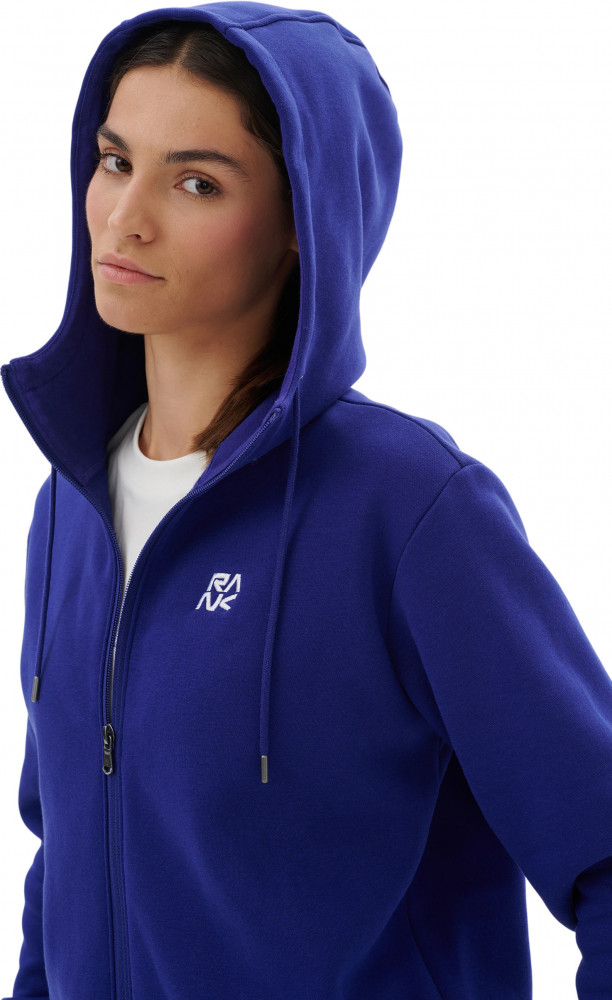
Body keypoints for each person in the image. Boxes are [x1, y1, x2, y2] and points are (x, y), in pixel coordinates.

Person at [1, 3, 611, 999]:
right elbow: (65, 850)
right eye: (114, 161)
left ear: (302, 222)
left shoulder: (409, 508)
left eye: (196, 181)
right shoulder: (68, 505)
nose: (124, 217)